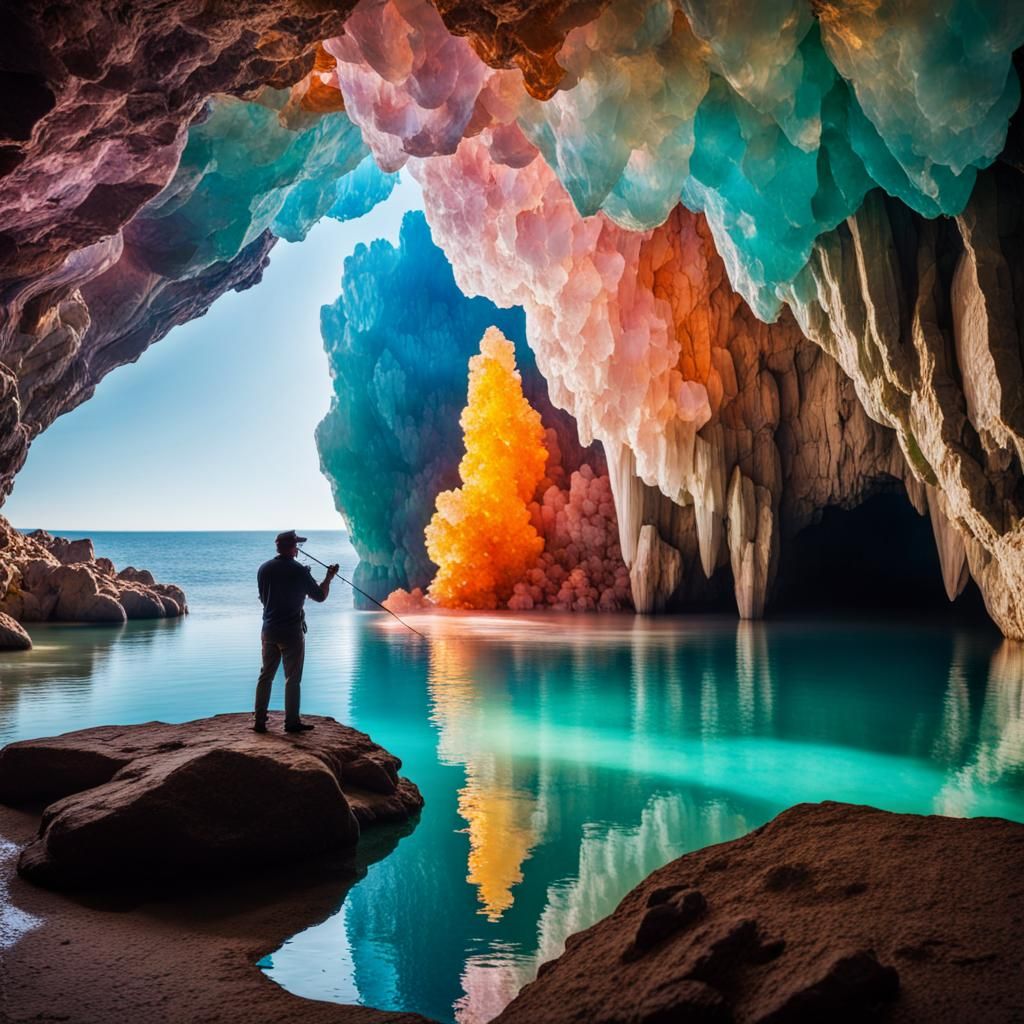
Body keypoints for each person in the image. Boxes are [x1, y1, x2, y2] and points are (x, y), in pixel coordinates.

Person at [253, 530, 339, 734]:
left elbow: (264, 598)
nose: (298, 549)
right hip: (291, 631)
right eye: (297, 545)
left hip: (269, 629)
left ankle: (259, 721)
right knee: (292, 678)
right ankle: (291, 722)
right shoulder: (299, 570)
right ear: (292, 547)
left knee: (266, 675)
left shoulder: (263, 569)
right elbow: (319, 596)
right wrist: (328, 577)